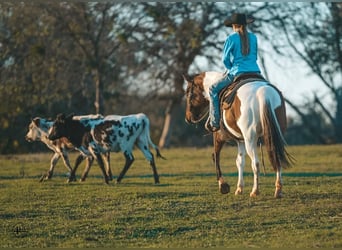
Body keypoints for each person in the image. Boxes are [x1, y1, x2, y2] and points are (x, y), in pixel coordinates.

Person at [205, 13, 261, 132]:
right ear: (246, 24)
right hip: (256, 72)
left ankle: (215, 122)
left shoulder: (231, 38)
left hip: (237, 72)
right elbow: (255, 57)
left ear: (234, 26)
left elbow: (225, 59)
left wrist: (231, 68)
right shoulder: (254, 37)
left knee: (213, 89)